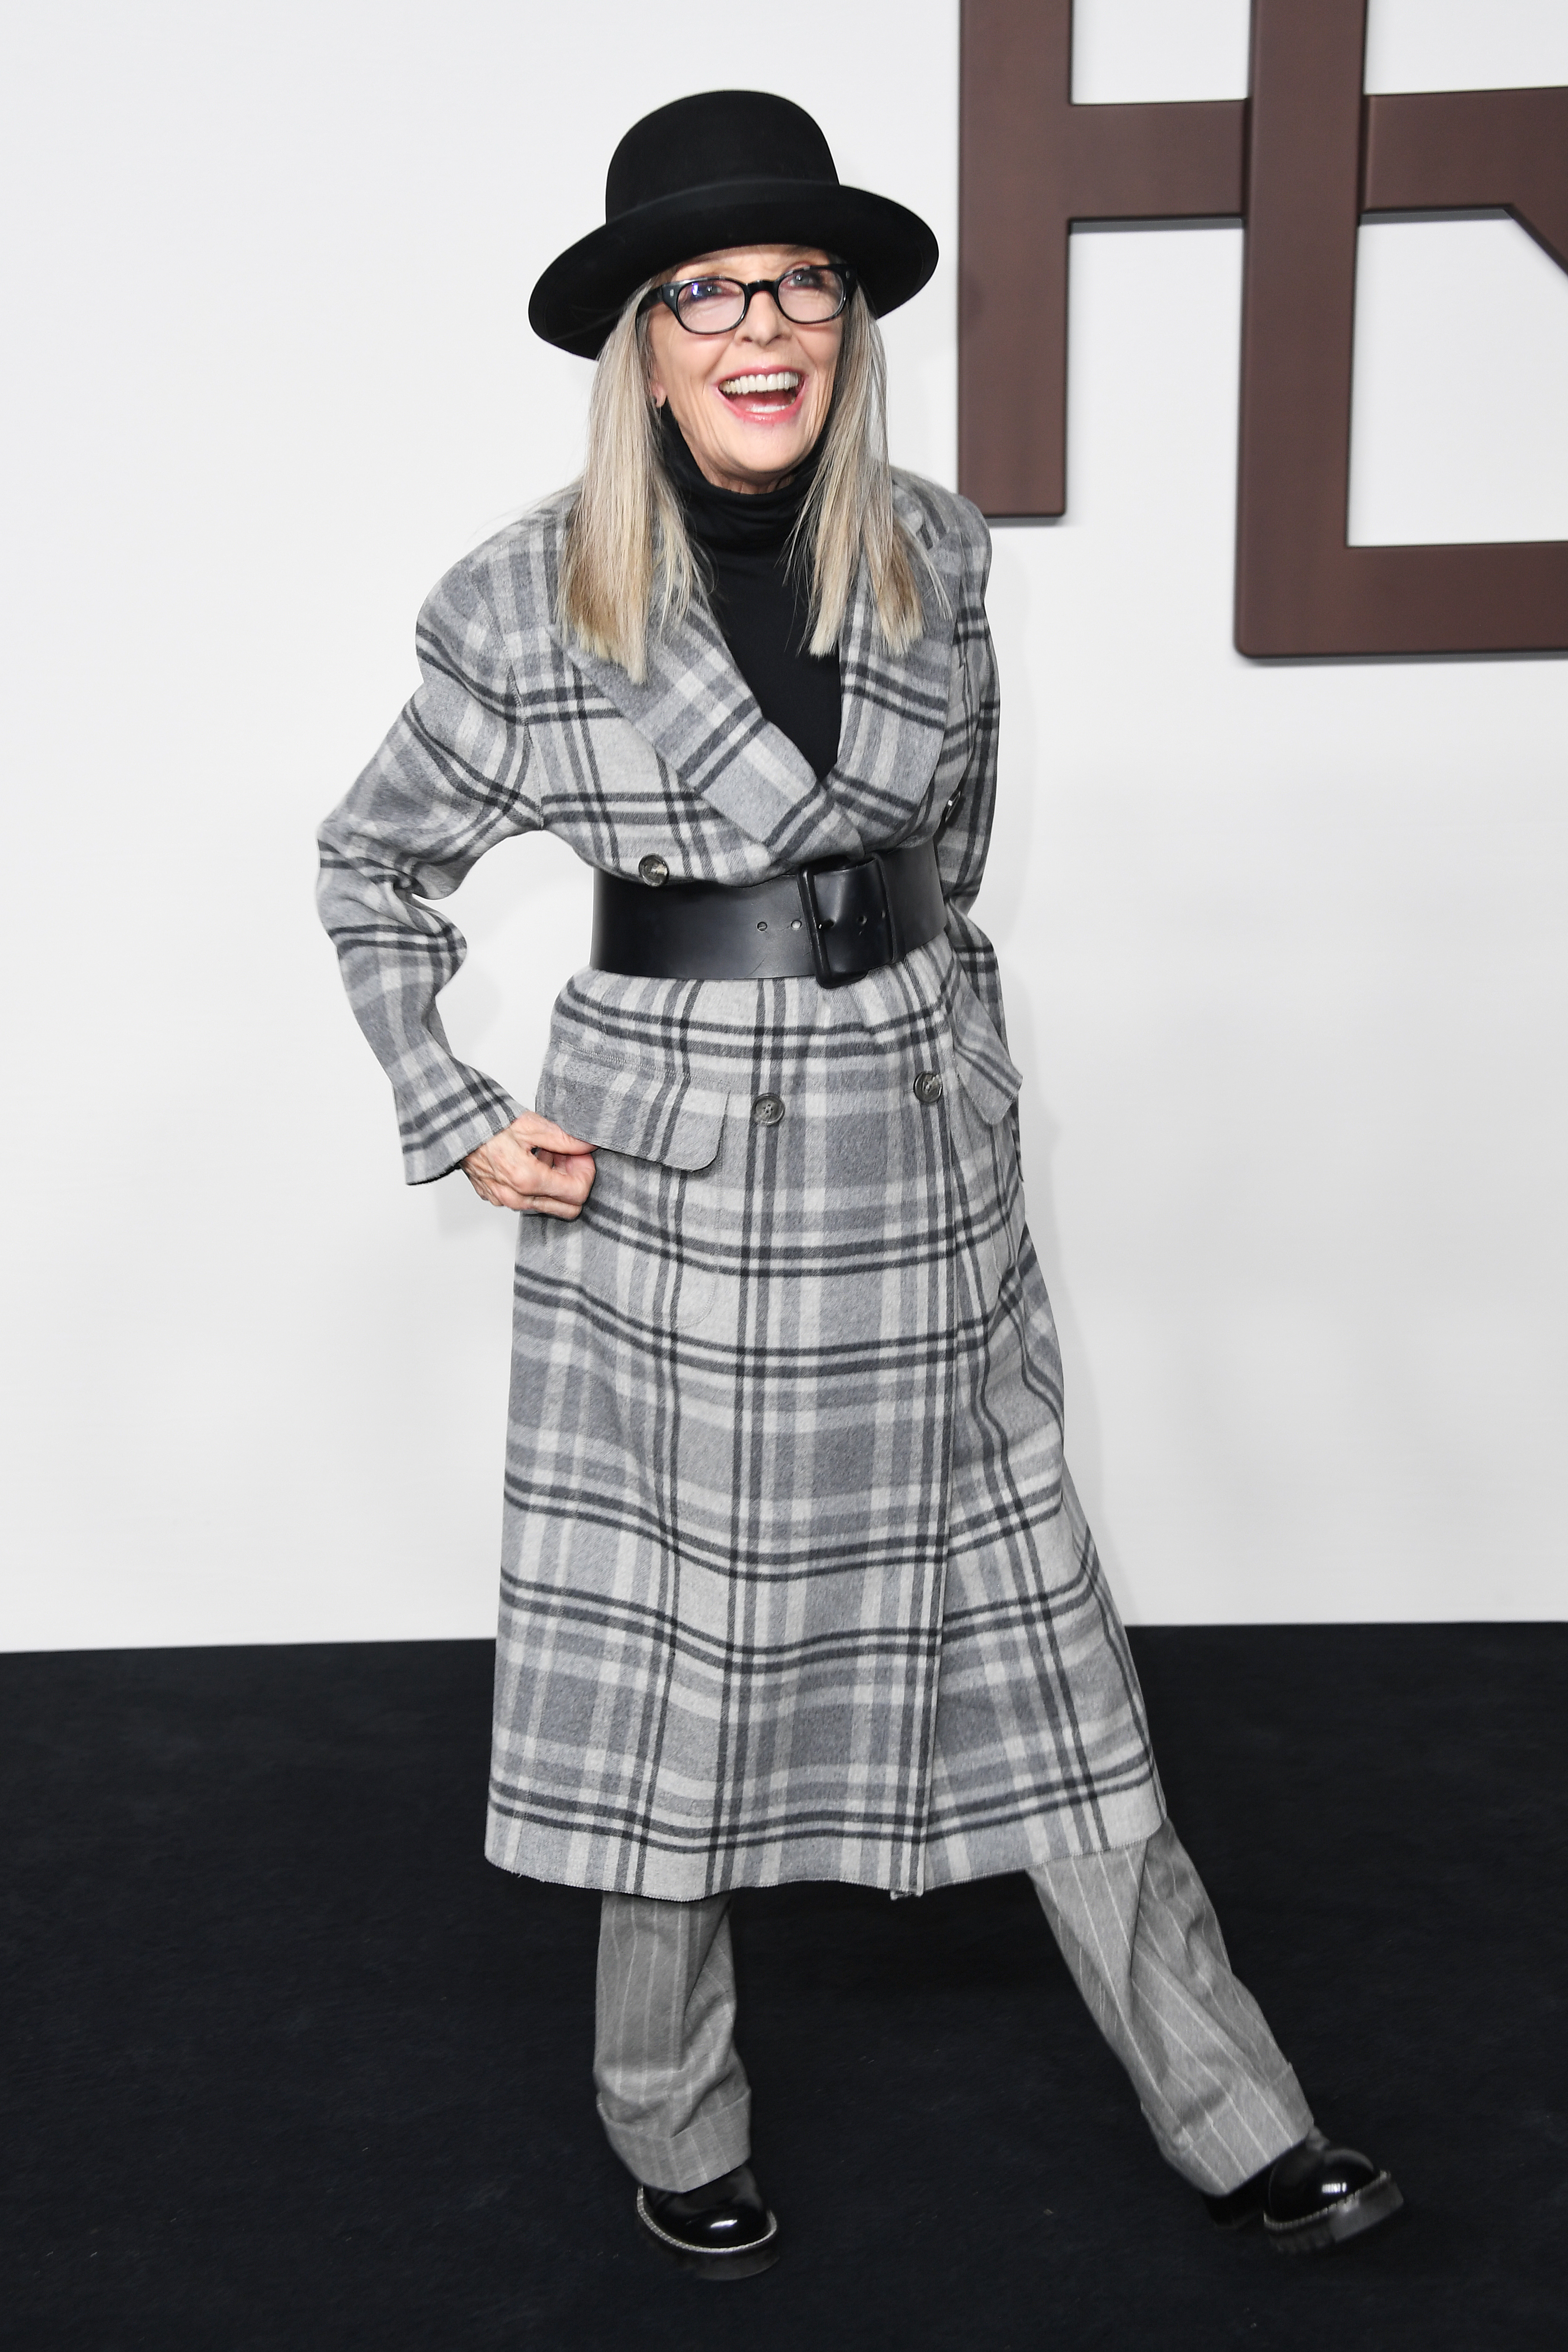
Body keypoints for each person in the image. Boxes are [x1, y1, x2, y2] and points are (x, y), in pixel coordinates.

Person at [317, 89, 1401, 2280]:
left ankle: (1237, 2111)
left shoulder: (933, 545)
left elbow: (948, 839)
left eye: (799, 286)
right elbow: (372, 860)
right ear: (642, 341)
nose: (761, 328)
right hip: (679, 1180)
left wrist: (913, 1017)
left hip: (924, 1156)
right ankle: (671, 2110)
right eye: (707, 293)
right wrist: (449, 1099)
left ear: (846, 323)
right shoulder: (523, 598)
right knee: (681, 1671)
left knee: (1057, 1649)